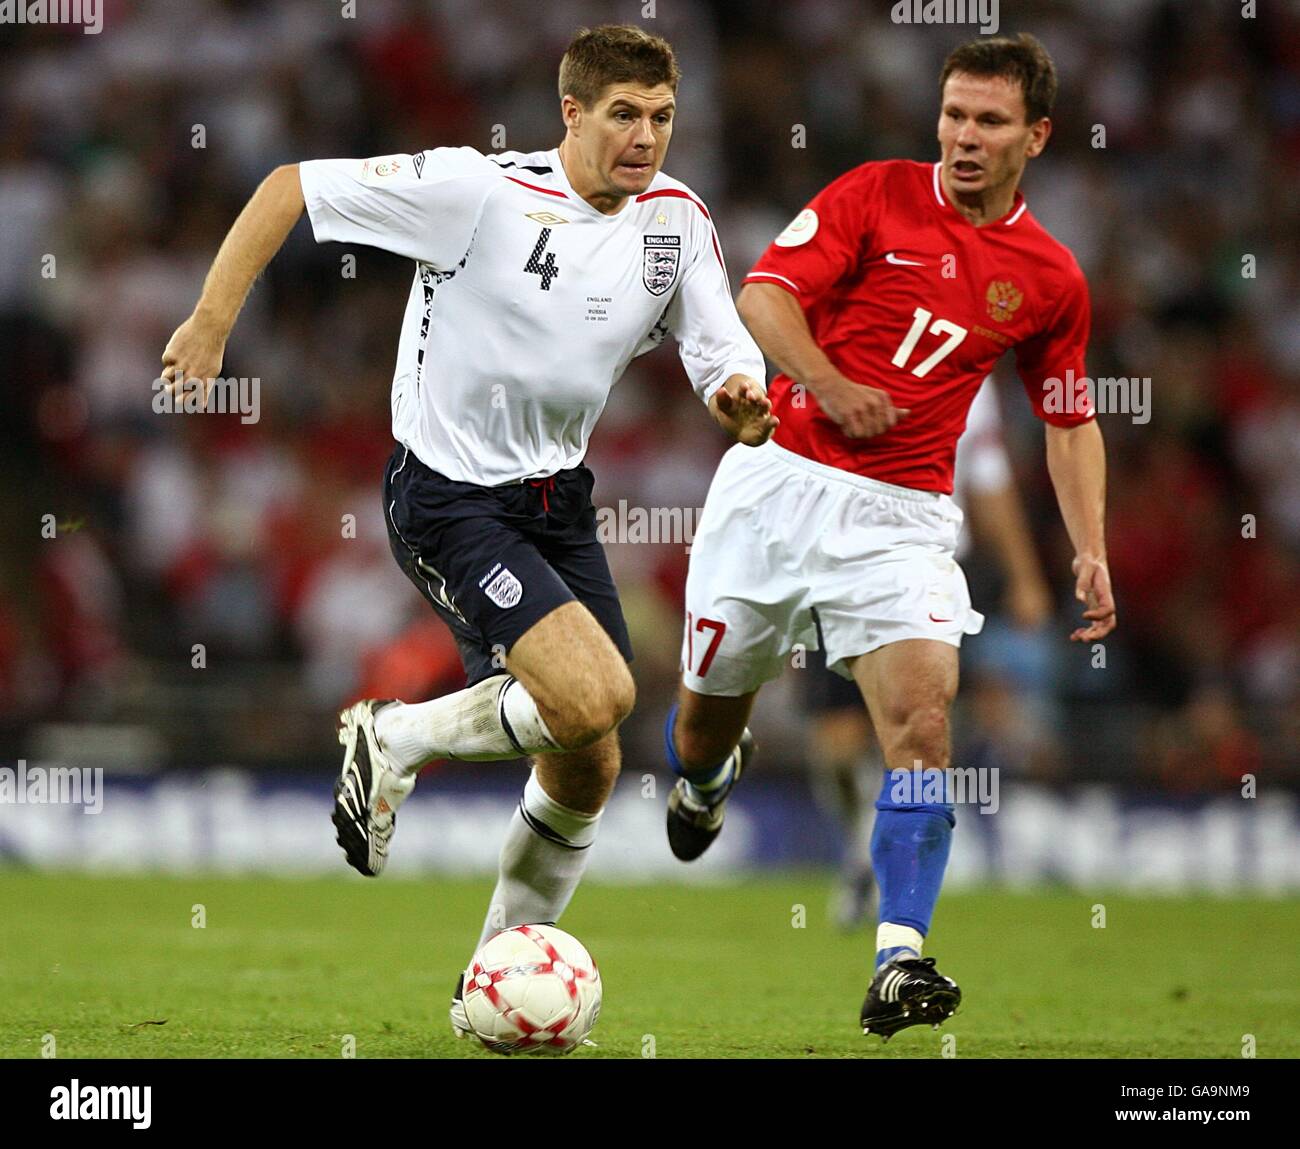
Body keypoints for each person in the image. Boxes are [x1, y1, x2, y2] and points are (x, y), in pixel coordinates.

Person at [159, 24, 775, 1036]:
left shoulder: (676, 223)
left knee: (591, 756)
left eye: (662, 117)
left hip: (555, 502)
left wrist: (738, 395)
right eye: (623, 113)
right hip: (445, 497)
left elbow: (718, 350)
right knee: (597, 696)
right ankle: (395, 736)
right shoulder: (477, 191)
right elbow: (287, 188)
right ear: (571, 111)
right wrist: (213, 322)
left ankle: (488, 985)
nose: (645, 137)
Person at [661, 33, 1117, 1040]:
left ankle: (899, 956)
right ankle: (705, 784)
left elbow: (1069, 414)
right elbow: (764, 295)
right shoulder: (873, 193)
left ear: (1034, 137)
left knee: (920, 725)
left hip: (903, 516)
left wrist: (1087, 545)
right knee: (701, 729)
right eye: (953, 113)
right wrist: (825, 383)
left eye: (988, 121)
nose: (962, 135)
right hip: (780, 484)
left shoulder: (1048, 278)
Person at [804, 377, 1052, 931]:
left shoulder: (972, 373)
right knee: (837, 748)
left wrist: (1024, 576)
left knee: (920, 728)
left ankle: (905, 886)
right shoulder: (848, 348)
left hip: (928, 571)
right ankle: (859, 848)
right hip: (839, 567)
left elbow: (988, 480)